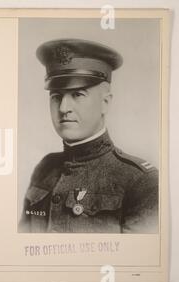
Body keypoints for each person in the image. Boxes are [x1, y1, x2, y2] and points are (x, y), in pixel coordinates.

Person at [19, 38, 159, 233]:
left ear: (105, 103)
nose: (63, 108)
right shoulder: (45, 168)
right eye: (56, 96)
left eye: (78, 95)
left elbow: (133, 260)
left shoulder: (141, 182)